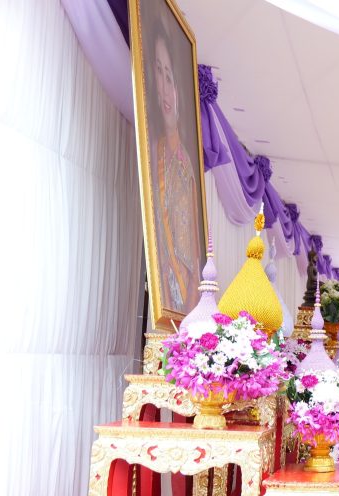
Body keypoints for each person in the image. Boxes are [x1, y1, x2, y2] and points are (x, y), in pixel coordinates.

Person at [148, 14, 201, 313]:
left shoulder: (186, 166)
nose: (165, 88)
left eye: (170, 76)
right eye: (158, 71)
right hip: (161, 297)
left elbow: (194, 256)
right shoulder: (152, 151)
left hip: (184, 307)